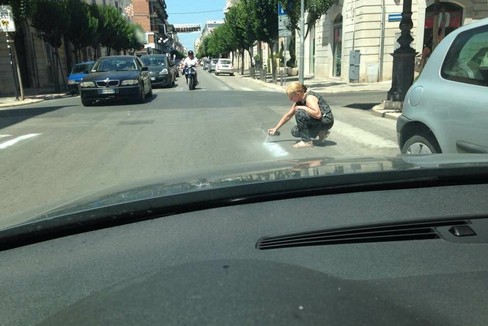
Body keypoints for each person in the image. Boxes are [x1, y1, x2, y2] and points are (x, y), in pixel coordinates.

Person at [268, 81, 334, 148]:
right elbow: (288, 115)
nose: (290, 99)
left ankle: (306, 142)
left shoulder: (309, 98)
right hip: (319, 121)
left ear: (298, 94)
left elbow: (318, 114)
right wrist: (275, 128)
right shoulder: (300, 100)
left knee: (299, 112)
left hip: (326, 121)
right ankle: (321, 132)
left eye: (291, 97)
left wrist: (303, 107)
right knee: (295, 131)